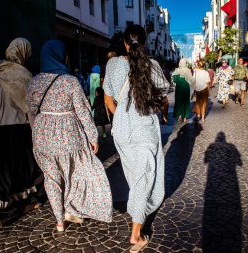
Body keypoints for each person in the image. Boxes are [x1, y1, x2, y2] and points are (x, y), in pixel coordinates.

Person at [28, 40, 112, 232]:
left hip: (42, 134)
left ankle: (59, 221)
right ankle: (72, 208)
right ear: (62, 56)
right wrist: (93, 136)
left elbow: (32, 108)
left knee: (51, 177)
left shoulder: (34, 81)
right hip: (68, 134)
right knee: (74, 174)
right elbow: (83, 111)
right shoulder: (70, 81)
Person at [103, 25, 169, 252]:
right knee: (142, 180)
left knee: (135, 178)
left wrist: (121, 116)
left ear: (124, 42)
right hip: (144, 130)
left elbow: (108, 100)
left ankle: (137, 216)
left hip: (122, 130)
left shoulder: (112, 65)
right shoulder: (153, 66)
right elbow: (163, 90)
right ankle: (136, 235)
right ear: (145, 43)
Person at [0, 38, 40, 228]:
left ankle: (22, 203)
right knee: (22, 166)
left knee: (3, 165)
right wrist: (35, 127)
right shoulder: (24, 75)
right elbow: (28, 105)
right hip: (18, 128)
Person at [172, 58, 194, 123]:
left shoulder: (177, 71)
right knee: (186, 102)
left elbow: (174, 80)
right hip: (186, 88)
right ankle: (185, 117)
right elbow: (191, 79)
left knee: (179, 102)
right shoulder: (188, 70)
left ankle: (179, 116)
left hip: (179, 89)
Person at [192, 59, 210, 124]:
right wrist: (208, 91)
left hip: (197, 89)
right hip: (204, 89)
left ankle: (198, 115)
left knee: (198, 103)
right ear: (204, 65)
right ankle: (202, 118)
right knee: (204, 103)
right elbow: (207, 83)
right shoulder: (206, 73)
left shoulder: (195, 72)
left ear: (198, 65)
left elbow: (193, 81)